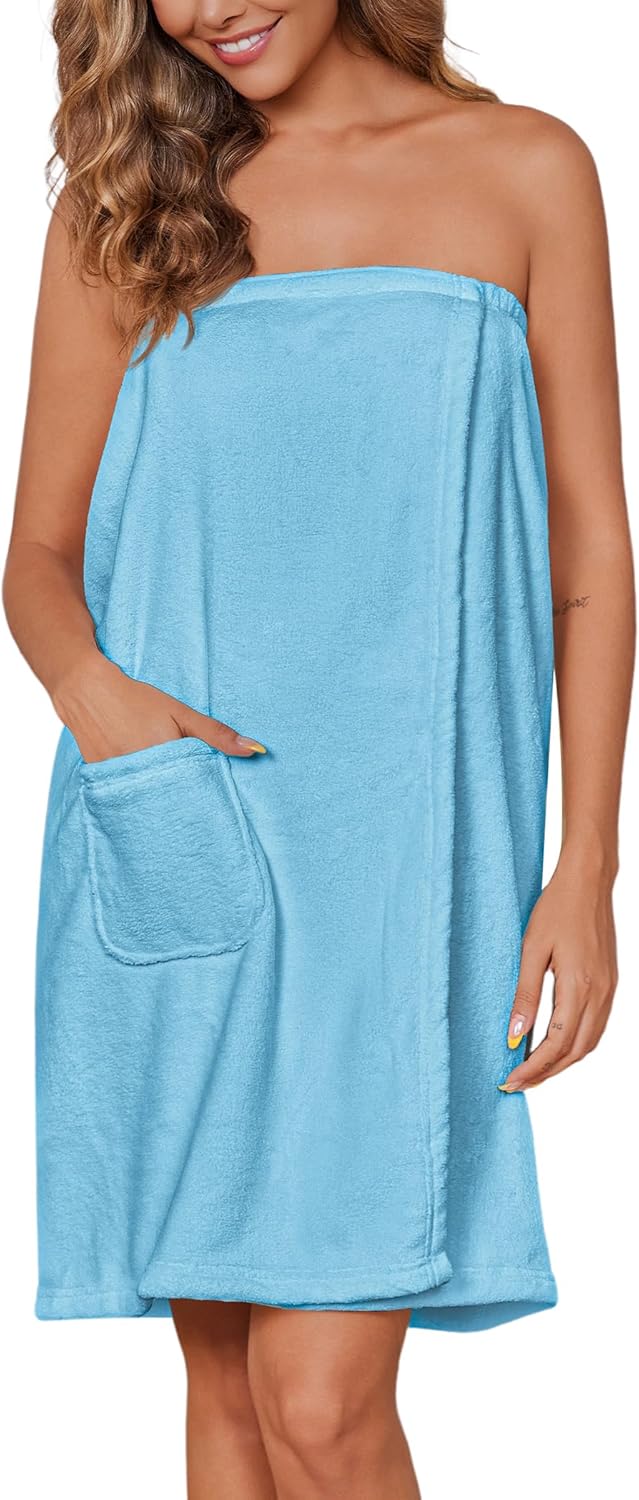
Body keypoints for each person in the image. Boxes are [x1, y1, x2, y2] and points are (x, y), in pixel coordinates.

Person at [4, 3, 634, 1497]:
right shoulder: (132, 197)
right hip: (181, 828)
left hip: (408, 865)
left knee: (319, 1403)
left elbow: (591, 555)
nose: (210, 8)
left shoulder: (526, 168)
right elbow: (39, 555)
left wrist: (587, 867)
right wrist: (96, 697)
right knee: (229, 1392)